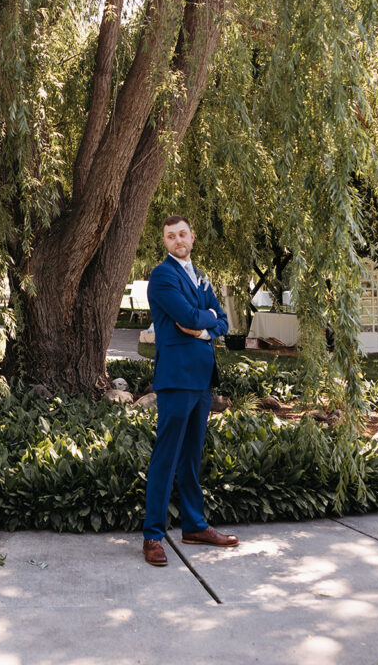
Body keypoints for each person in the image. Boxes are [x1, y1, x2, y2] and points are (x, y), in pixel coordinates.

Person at [141, 216, 239, 566]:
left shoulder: (200, 276)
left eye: (182, 233)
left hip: (201, 379)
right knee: (166, 457)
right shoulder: (163, 275)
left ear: (192, 237)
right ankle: (153, 535)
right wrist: (206, 319)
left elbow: (221, 321)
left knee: (191, 458)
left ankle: (194, 525)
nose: (178, 240)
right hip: (177, 377)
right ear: (165, 242)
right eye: (170, 236)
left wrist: (205, 324)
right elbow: (186, 316)